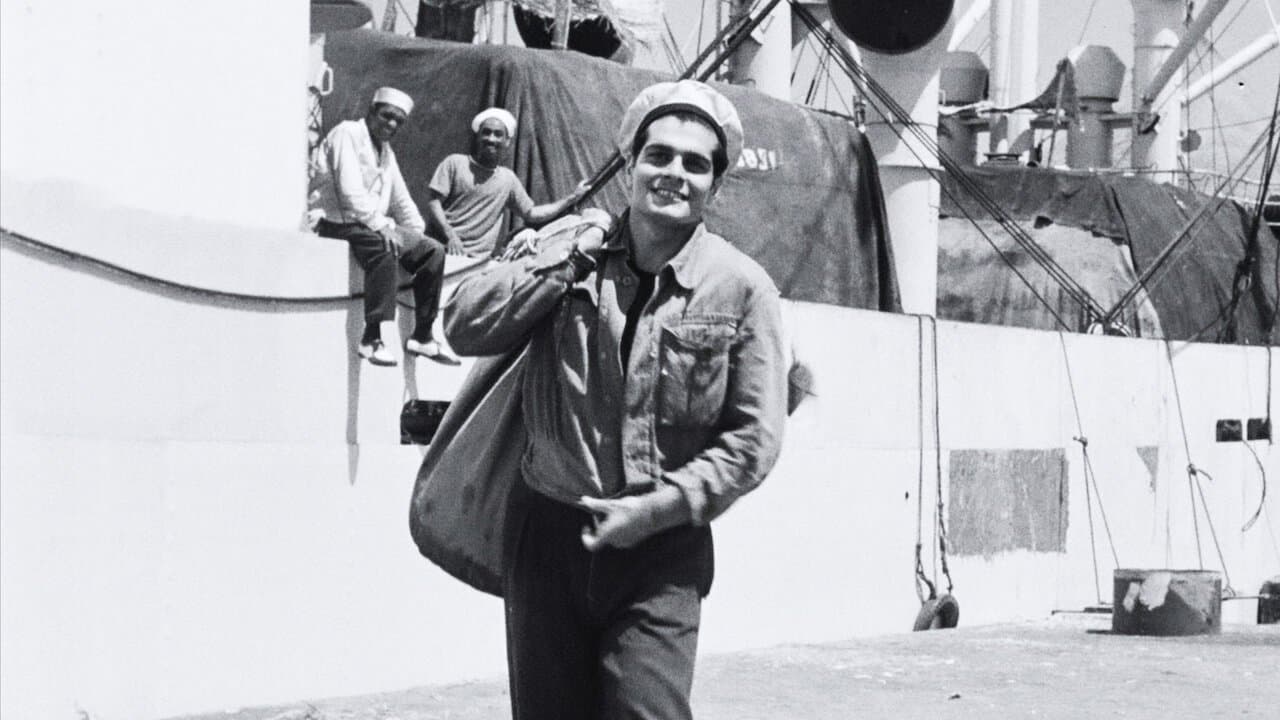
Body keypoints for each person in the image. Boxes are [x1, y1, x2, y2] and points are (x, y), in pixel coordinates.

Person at [443, 80, 788, 720]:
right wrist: (570, 255)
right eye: (659, 155)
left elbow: (753, 441)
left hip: (663, 551)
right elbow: (465, 326)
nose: (674, 173)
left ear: (715, 184)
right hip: (548, 534)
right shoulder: (572, 250)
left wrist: (658, 509)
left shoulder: (742, 289)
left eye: (695, 163)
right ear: (630, 165)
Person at [309, 86, 458, 367]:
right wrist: (382, 226)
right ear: (372, 111)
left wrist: (416, 236)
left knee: (433, 251)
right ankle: (371, 338)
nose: (391, 124)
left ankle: (423, 336)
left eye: (398, 121)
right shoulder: (347, 133)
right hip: (333, 221)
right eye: (386, 116)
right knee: (384, 245)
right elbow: (349, 193)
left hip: (365, 224)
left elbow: (402, 202)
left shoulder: (386, 152)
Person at [426, 107, 589, 258]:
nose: (491, 139)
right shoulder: (455, 163)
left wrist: (572, 198)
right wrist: (451, 236)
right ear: (478, 137)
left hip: (476, 261)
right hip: (441, 252)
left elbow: (531, 213)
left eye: (498, 134)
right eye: (486, 132)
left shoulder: (507, 179)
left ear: (507, 142)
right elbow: (434, 203)